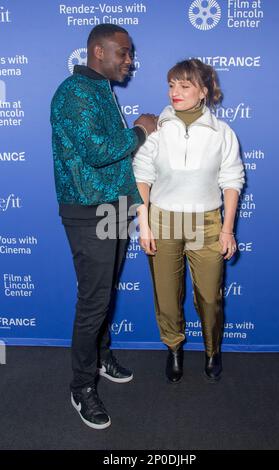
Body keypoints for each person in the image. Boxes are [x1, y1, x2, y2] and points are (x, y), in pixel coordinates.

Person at [50, 24, 156, 429]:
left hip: (113, 206)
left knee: (105, 291)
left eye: (129, 54)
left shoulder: (100, 90)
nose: (130, 62)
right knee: (93, 300)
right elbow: (97, 153)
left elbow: (111, 158)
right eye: (124, 53)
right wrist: (142, 129)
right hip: (87, 211)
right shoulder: (75, 93)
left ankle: (101, 356)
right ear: (99, 51)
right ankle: (82, 387)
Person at [133, 59, 245, 384]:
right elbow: (141, 175)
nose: (175, 93)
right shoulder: (157, 128)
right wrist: (144, 223)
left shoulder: (222, 133)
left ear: (203, 91)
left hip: (207, 222)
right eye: (171, 85)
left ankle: (213, 350)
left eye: (184, 86)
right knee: (167, 296)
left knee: (209, 297)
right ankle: (174, 350)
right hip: (162, 219)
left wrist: (227, 230)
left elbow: (232, 180)